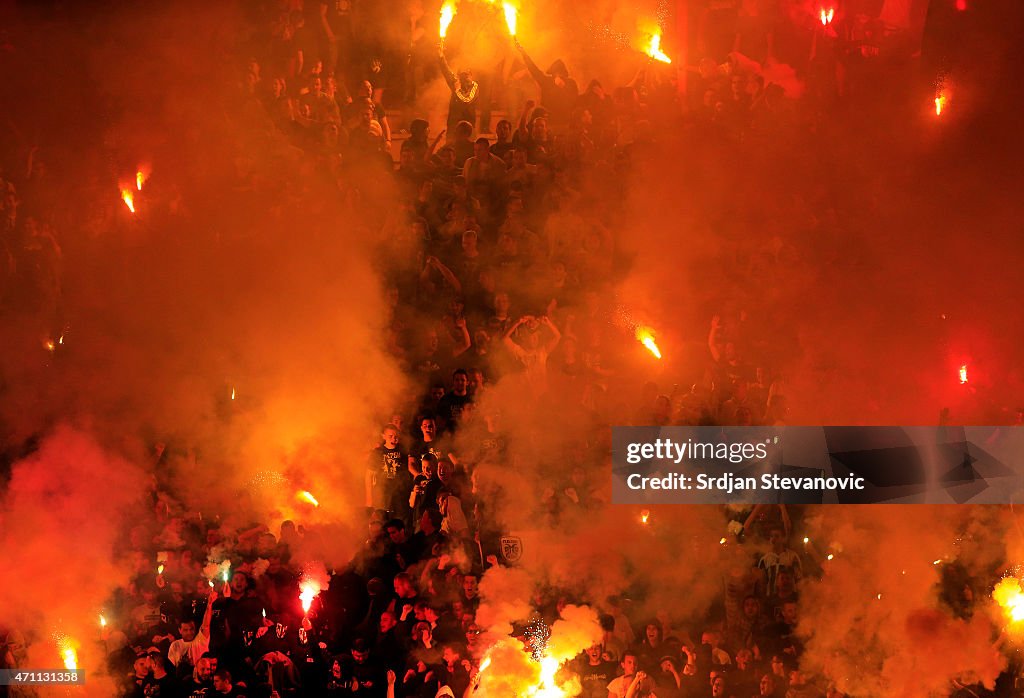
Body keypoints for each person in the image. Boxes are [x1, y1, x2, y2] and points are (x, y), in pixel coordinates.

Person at [514, 40, 579, 132]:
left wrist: (563, 88)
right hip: (548, 122)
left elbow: (574, 101)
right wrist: (523, 52)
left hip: (566, 123)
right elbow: (534, 69)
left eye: (558, 72)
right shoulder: (547, 81)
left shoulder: (571, 83)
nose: (556, 75)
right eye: (555, 73)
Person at [439, 46, 480, 135]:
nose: (465, 77)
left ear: (471, 75)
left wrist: (457, 90)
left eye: (467, 74)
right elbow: (446, 71)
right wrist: (441, 57)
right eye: (462, 75)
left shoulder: (474, 86)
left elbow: (467, 100)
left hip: (467, 125)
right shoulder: (456, 82)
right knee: (450, 146)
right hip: (453, 124)